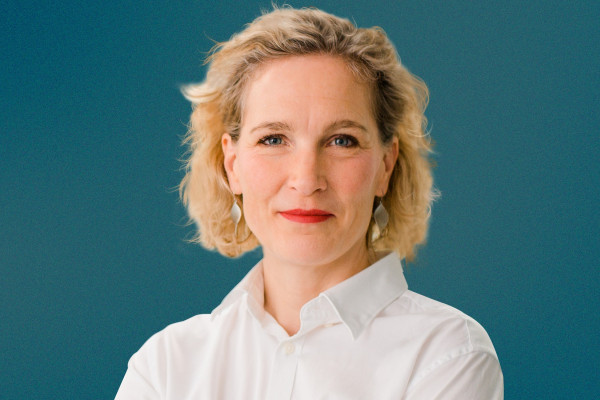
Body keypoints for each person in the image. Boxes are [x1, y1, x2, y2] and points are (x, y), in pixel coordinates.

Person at [115, 7, 503, 399]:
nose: (306, 180)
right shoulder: (165, 366)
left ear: (385, 166)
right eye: (273, 139)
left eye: (342, 141)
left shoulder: (449, 354)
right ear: (232, 165)